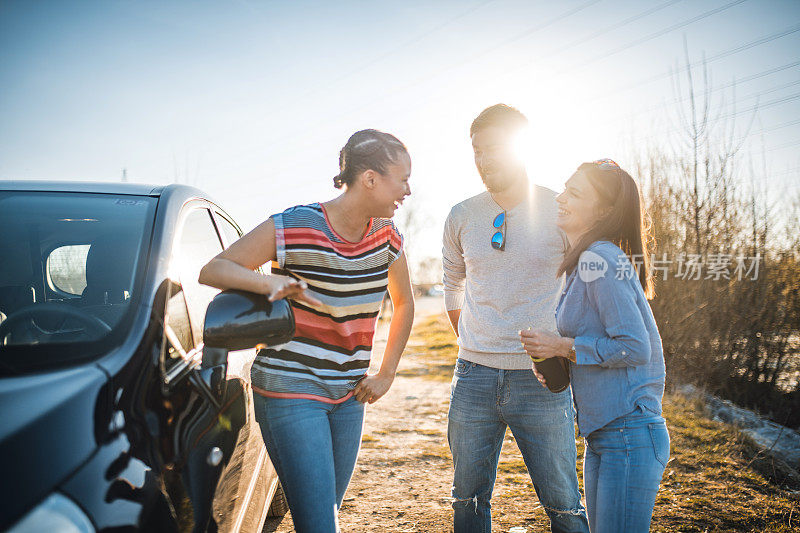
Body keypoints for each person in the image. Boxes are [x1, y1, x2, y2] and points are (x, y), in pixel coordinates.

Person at [199, 129, 415, 533]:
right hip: (290, 389)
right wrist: (269, 284)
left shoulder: (388, 238)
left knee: (323, 515)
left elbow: (404, 303)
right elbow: (214, 269)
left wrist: (386, 373)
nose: (407, 190)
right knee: (320, 524)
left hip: (350, 396)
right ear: (370, 178)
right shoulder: (296, 225)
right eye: (402, 179)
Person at [442, 104, 589, 533]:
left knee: (564, 504)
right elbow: (451, 283)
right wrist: (470, 341)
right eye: (477, 151)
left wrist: (567, 348)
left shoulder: (559, 210)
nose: (485, 160)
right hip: (472, 377)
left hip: (541, 378)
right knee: (466, 501)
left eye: (495, 149)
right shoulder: (461, 215)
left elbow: (587, 284)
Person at [519, 159, 669, 533]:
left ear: (603, 210)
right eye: (565, 187)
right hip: (605, 434)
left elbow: (635, 348)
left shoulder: (598, 258)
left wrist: (563, 345)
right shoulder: (585, 261)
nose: (561, 197)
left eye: (575, 192)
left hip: (628, 433)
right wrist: (557, 360)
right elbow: (603, 348)